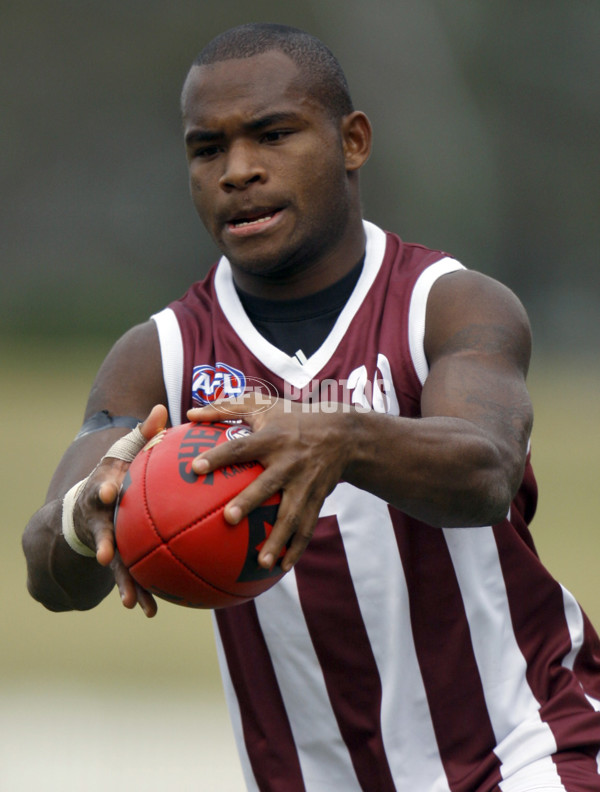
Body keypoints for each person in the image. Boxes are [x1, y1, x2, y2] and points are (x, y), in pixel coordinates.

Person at [22, 22, 600, 792]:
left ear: (352, 141)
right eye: (207, 149)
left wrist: (340, 439)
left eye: (273, 135)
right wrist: (85, 518)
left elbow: (487, 471)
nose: (238, 171)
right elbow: (50, 576)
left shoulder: (446, 305)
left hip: (524, 752)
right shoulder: (159, 355)